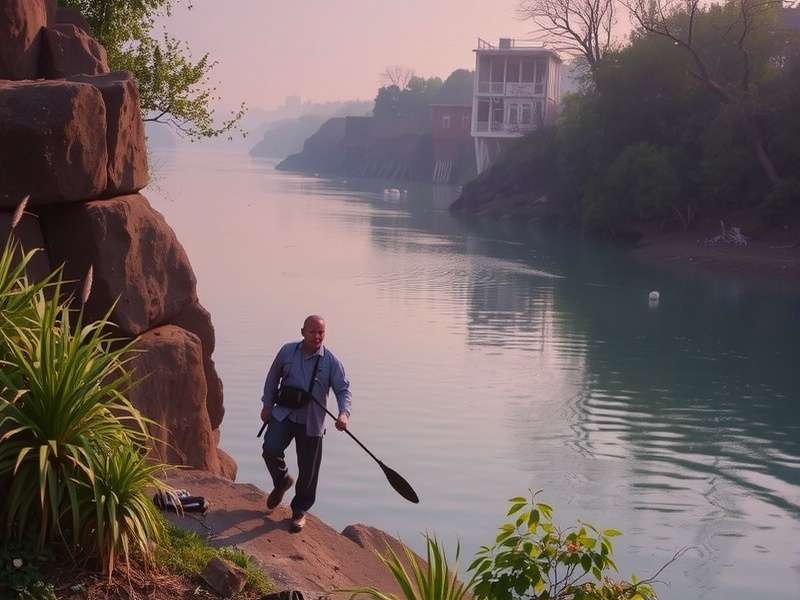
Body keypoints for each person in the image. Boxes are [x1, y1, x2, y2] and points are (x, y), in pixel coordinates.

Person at [260, 315, 351, 532]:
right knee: (270, 449)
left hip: (312, 421)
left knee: (308, 469)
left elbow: (343, 390)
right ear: (302, 332)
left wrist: (343, 414)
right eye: (313, 332)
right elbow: (272, 378)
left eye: (321, 332)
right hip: (284, 414)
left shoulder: (331, 362)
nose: (317, 336)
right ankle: (282, 480)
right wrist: (267, 405)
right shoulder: (287, 351)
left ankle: (299, 510)